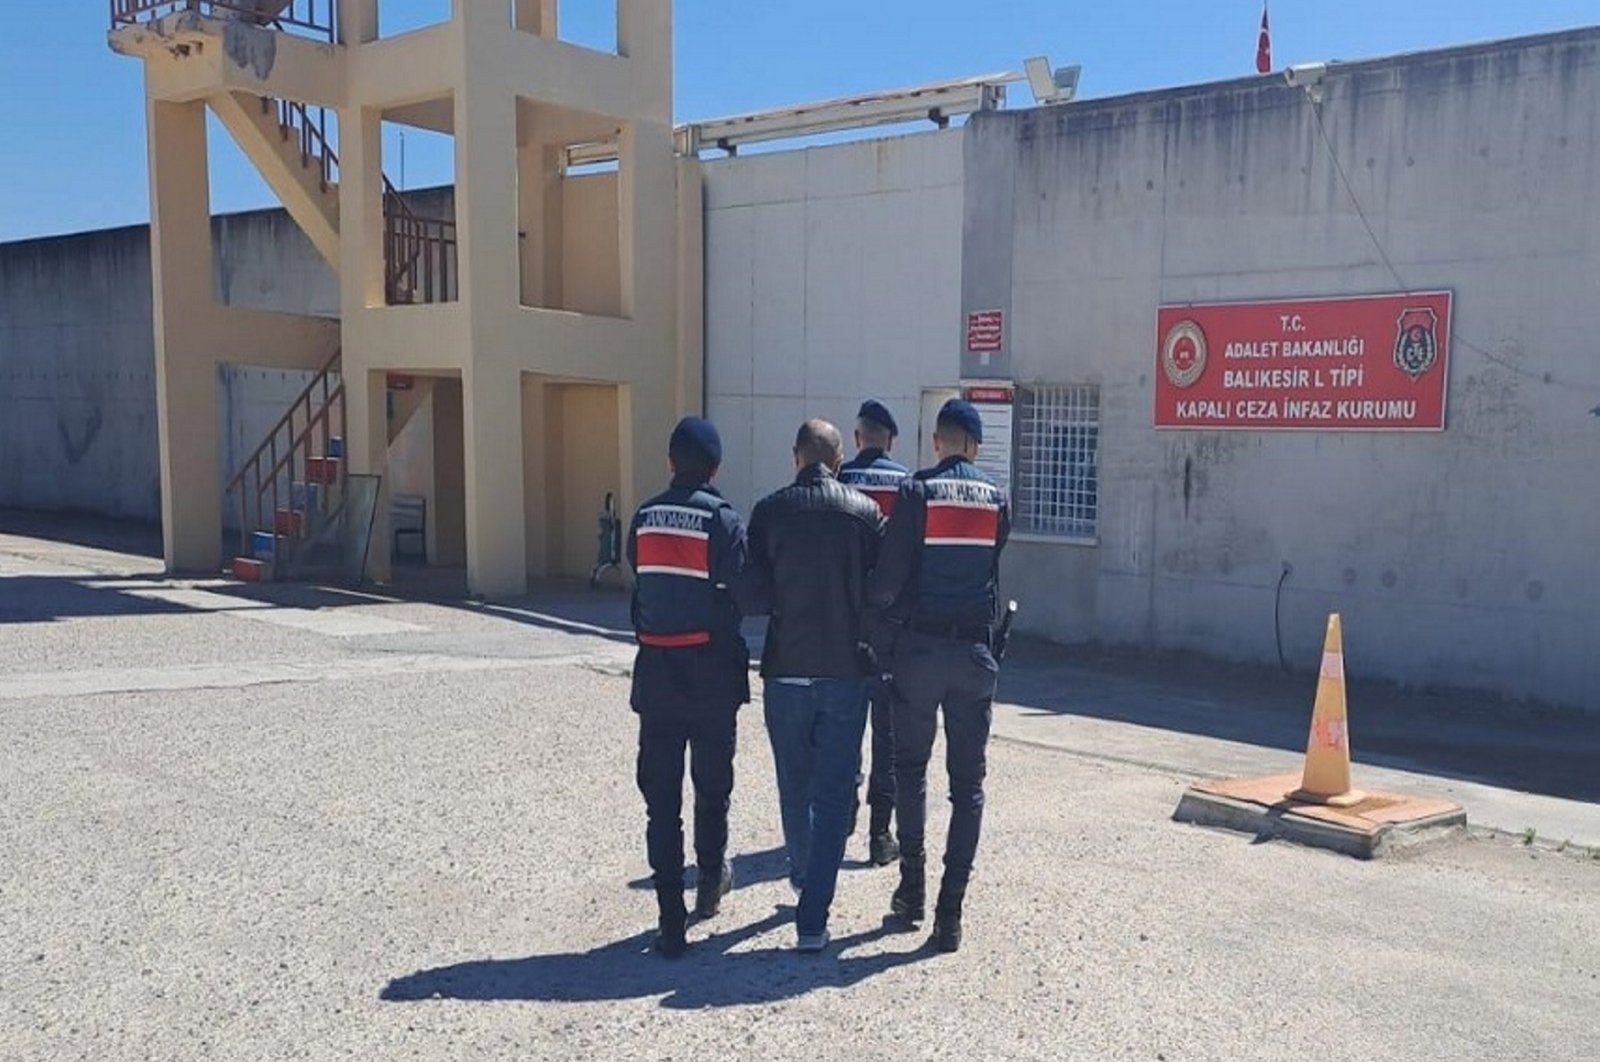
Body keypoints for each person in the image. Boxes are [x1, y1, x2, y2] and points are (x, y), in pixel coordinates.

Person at [868, 399, 1011, 953]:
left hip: (919, 653)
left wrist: (873, 620)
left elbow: (889, 579)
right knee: (968, 787)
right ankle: (950, 913)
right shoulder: (998, 498)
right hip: (975, 653)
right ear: (975, 447)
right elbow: (993, 564)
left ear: (936, 443)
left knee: (910, 769)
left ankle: (913, 888)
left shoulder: (916, 492)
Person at [739, 419, 886, 952]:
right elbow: (882, 588)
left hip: (786, 671)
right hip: (847, 672)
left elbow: (752, 595)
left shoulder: (769, 512)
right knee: (831, 795)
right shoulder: (864, 513)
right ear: (839, 461)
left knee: (792, 784)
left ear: (795, 456)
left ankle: (803, 876)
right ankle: (813, 917)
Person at [626, 416, 751, 958]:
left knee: (661, 802)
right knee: (711, 788)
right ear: (716, 467)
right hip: (710, 672)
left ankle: (670, 921)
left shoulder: (645, 517)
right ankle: (709, 890)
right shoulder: (721, 520)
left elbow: (639, 576)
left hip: (657, 671)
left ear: (671, 461)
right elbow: (744, 591)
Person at [836, 399, 910, 867]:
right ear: (892, 440)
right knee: (887, 733)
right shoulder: (908, 485)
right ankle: (881, 834)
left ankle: (842, 810)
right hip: (892, 628)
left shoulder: (838, 481)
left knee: (843, 724)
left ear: (858, 437)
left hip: (843, 624)